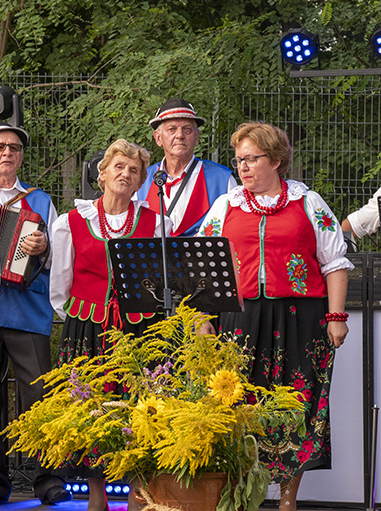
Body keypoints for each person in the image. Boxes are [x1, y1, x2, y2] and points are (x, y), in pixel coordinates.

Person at [198, 122, 351, 511]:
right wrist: (205, 317)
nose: (244, 167)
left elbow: (334, 263)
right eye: (239, 160)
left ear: (277, 160)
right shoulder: (225, 206)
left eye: (252, 158)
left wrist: (336, 316)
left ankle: (288, 500)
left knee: (295, 406)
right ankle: (240, 497)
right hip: (241, 319)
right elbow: (204, 268)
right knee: (238, 405)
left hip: (302, 318)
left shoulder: (308, 203)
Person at [50, 139, 173, 511]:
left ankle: (138, 493)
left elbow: (163, 282)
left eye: (134, 171)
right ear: (101, 174)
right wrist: (79, 319)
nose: (126, 174)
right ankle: (96, 497)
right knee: (90, 410)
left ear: (141, 182)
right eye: (119, 166)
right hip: (88, 328)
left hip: (139, 331)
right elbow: (60, 284)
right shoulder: (70, 222)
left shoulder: (157, 223)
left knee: (137, 409)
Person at [0, 120, 71, 508]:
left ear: (22, 155)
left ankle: (47, 477)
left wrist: (43, 247)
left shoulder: (40, 200)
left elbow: (57, 255)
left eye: (13, 147)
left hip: (28, 310)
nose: (6, 153)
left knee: (40, 395)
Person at [136, 98, 235, 236]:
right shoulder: (141, 179)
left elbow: (236, 230)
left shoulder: (223, 179)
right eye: (172, 129)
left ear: (196, 137)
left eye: (187, 129)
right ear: (158, 138)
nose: (180, 135)